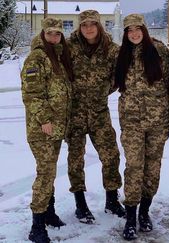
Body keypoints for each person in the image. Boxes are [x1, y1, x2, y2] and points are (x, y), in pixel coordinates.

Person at [114, 14, 169, 240]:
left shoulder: (159, 52)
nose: (134, 33)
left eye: (138, 29)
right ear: (126, 33)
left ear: (145, 30)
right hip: (131, 123)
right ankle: (130, 217)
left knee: (152, 168)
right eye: (130, 30)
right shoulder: (122, 55)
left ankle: (145, 212)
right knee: (134, 167)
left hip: (158, 122)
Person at [67, 9, 125, 224]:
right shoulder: (68, 47)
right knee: (75, 159)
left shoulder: (111, 49)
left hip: (100, 112)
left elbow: (120, 74)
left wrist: (105, 89)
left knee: (111, 155)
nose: (88, 28)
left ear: (99, 25)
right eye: (84, 25)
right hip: (75, 113)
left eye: (92, 24)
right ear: (79, 27)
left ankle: (112, 200)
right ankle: (80, 204)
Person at [21, 17, 73, 243]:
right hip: (42, 129)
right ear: (43, 34)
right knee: (45, 173)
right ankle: (37, 225)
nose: (54, 37)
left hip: (56, 128)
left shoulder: (59, 57)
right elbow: (31, 94)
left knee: (50, 172)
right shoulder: (37, 57)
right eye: (50, 33)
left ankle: (49, 213)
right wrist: (44, 120)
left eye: (58, 33)